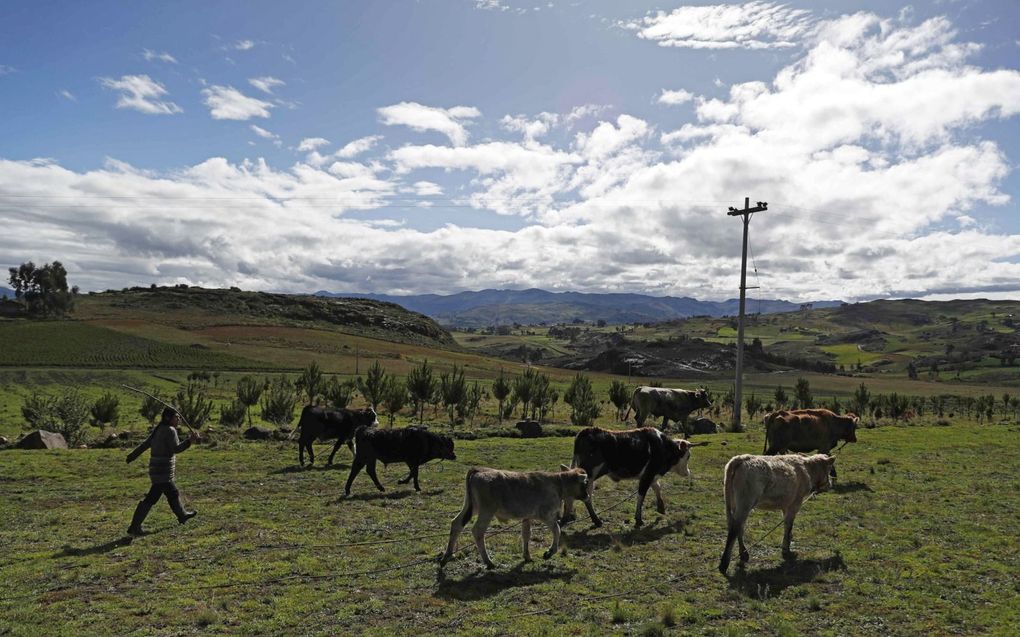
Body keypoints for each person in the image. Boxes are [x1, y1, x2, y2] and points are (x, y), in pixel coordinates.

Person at [126, 407, 199, 536]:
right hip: (163, 471)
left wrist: (132, 456)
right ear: (168, 418)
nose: (179, 419)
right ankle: (134, 527)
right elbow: (176, 449)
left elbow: (145, 445)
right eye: (176, 417)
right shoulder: (170, 431)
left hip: (156, 469)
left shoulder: (158, 429)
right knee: (152, 498)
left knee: (172, 493)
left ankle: (182, 515)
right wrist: (189, 441)